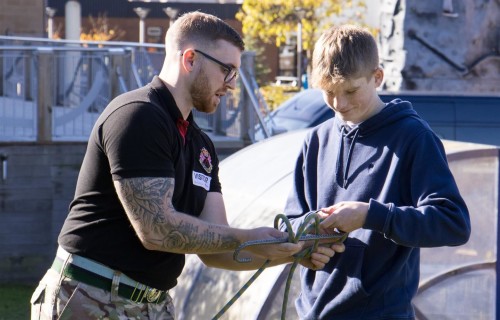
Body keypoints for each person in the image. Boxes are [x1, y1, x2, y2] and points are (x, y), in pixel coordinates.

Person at [30, 12, 339, 320]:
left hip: (153, 305)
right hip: (90, 297)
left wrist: (291, 251)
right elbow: (156, 230)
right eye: (226, 70)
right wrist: (248, 238)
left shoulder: (201, 146)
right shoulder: (137, 116)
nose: (232, 84)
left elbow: (217, 249)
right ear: (191, 59)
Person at [282, 24, 471, 319]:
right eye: (328, 92)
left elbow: (453, 223)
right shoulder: (316, 139)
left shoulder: (414, 137)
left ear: (377, 77)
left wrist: (371, 216)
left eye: (351, 90)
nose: (339, 104)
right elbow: (288, 223)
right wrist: (304, 247)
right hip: (312, 312)